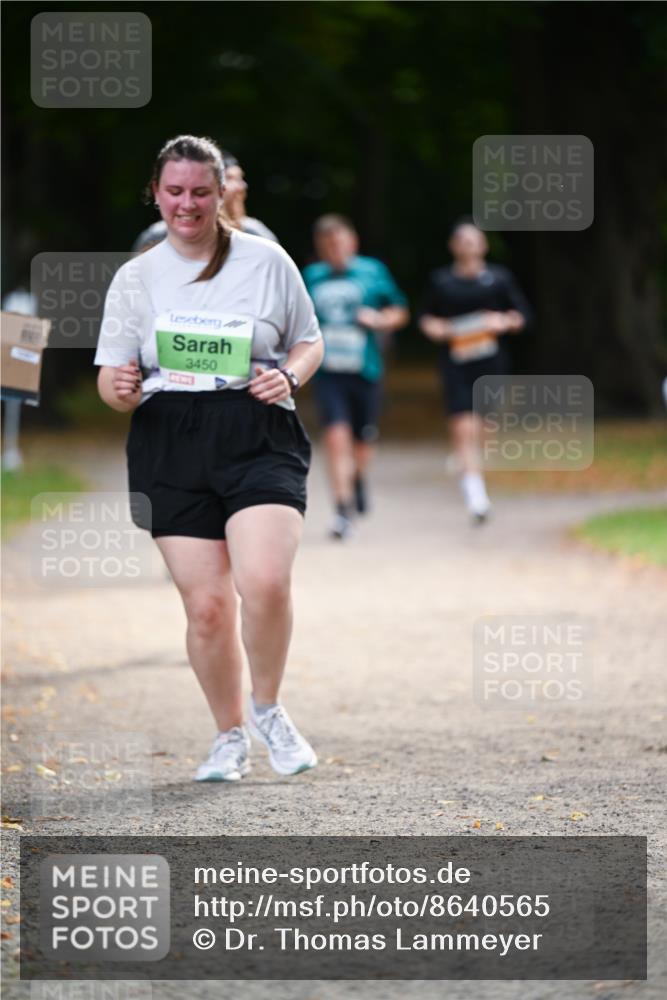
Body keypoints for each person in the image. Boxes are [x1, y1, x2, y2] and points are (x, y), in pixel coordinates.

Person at [95, 135, 324, 781]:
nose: (187, 204)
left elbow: (308, 341)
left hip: (256, 426)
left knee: (264, 582)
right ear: (156, 193)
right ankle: (228, 736)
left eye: (201, 191)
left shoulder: (266, 260)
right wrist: (117, 389)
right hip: (170, 435)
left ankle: (268, 708)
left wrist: (291, 377)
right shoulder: (136, 277)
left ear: (222, 192)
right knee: (207, 608)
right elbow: (112, 378)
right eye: (174, 191)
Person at [302, 215, 409, 539]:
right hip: (328, 371)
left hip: (365, 369)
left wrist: (378, 319)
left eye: (339, 242)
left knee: (364, 441)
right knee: (335, 437)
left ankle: (358, 477)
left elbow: (400, 311)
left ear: (352, 243)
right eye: (327, 245)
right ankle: (342, 509)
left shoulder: (372, 272)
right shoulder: (312, 276)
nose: (334, 250)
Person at [418, 221, 531, 523]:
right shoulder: (442, 281)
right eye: (462, 241)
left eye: (473, 241)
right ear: (453, 246)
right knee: (462, 426)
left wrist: (502, 322)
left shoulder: (499, 279)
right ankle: (476, 498)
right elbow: (426, 318)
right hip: (455, 362)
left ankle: (470, 462)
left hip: (490, 362)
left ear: (483, 246)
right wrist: (438, 329)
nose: (468, 246)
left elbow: (521, 316)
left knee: (485, 427)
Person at [132, 149, 278, 251]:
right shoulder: (157, 235)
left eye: (240, 179)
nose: (240, 187)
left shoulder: (256, 235)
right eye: (230, 178)